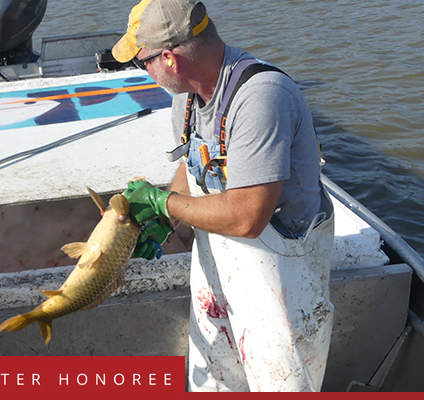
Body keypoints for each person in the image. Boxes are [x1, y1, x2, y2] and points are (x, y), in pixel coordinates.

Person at [111, 0, 334, 392]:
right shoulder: (187, 97)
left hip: (280, 285)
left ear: (169, 58)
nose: (143, 71)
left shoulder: (261, 97)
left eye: (141, 62)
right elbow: (191, 165)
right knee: (215, 384)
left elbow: (248, 217)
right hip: (219, 272)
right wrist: (166, 220)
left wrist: (163, 201)